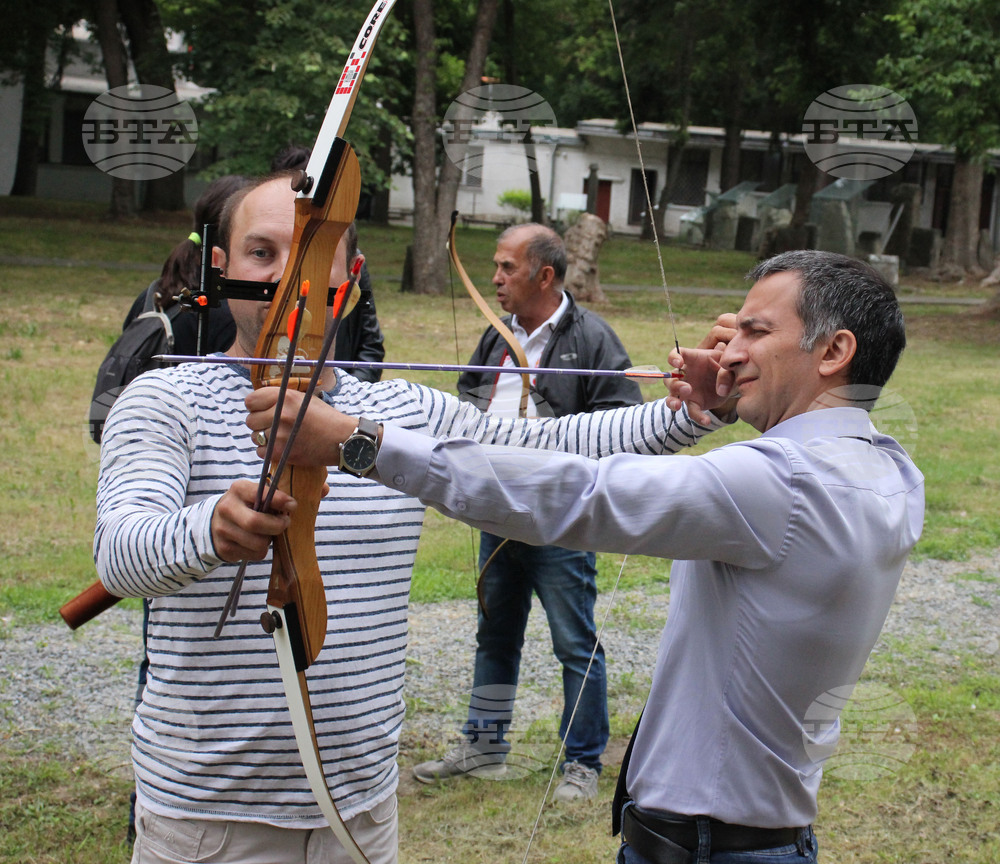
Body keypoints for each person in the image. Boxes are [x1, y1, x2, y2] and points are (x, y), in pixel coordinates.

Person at [95, 170, 732, 864]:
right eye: (261, 253)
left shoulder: (400, 413)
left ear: (351, 272)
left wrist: (687, 412)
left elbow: (550, 449)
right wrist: (208, 531)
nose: (285, 276)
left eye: (311, 254)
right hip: (208, 818)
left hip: (359, 813)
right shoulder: (166, 399)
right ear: (222, 270)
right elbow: (120, 552)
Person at [250, 250, 924, 863]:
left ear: (834, 350)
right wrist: (720, 405)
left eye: (754, 331)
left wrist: (357, 442)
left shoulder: (781, 481)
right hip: (761, 837)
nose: (728, 347)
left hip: (708, 849)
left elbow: (576, 495)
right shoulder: (887, 468)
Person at [411, 224, 641, 802]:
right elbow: (465, 400)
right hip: (497, 514)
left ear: (544, 275)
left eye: (507, 268)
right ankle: (485, 745)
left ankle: (582, 761)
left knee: (574, 641)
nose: (494, 279)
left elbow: (623, 418)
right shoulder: (496, 339)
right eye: (493, 266)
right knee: (496, 635)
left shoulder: (591, 338)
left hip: (561, 517)